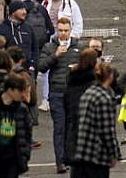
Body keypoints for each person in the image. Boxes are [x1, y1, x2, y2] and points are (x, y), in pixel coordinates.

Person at [37, 16, 82, 173]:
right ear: (57, 30)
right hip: (56, 92)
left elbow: (87, 68)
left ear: (71, 30)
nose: (63, 34)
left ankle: (70, 157)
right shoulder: (49, 47)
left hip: (72, 92)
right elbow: (41, 67)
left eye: (66, 31)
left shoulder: (79, 47)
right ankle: (60, 162)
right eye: (60, 31)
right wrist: (55, 55)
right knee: (59, 127)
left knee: (72, 127)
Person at [71, 63, 120, 178]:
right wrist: (114, 154)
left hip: (82, 151)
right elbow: (107, 131)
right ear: (110, 77)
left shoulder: (88, 93)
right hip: (97, 154)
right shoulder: (104, 98)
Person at [0, 0, 37, 73]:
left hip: (26, 69)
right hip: (8, 69)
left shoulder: (28, 28)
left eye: (25, 9)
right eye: (21, 9)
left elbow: (35, 47)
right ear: (13, 12)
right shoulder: (2, 28)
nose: (24, 12)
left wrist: (33, 64)